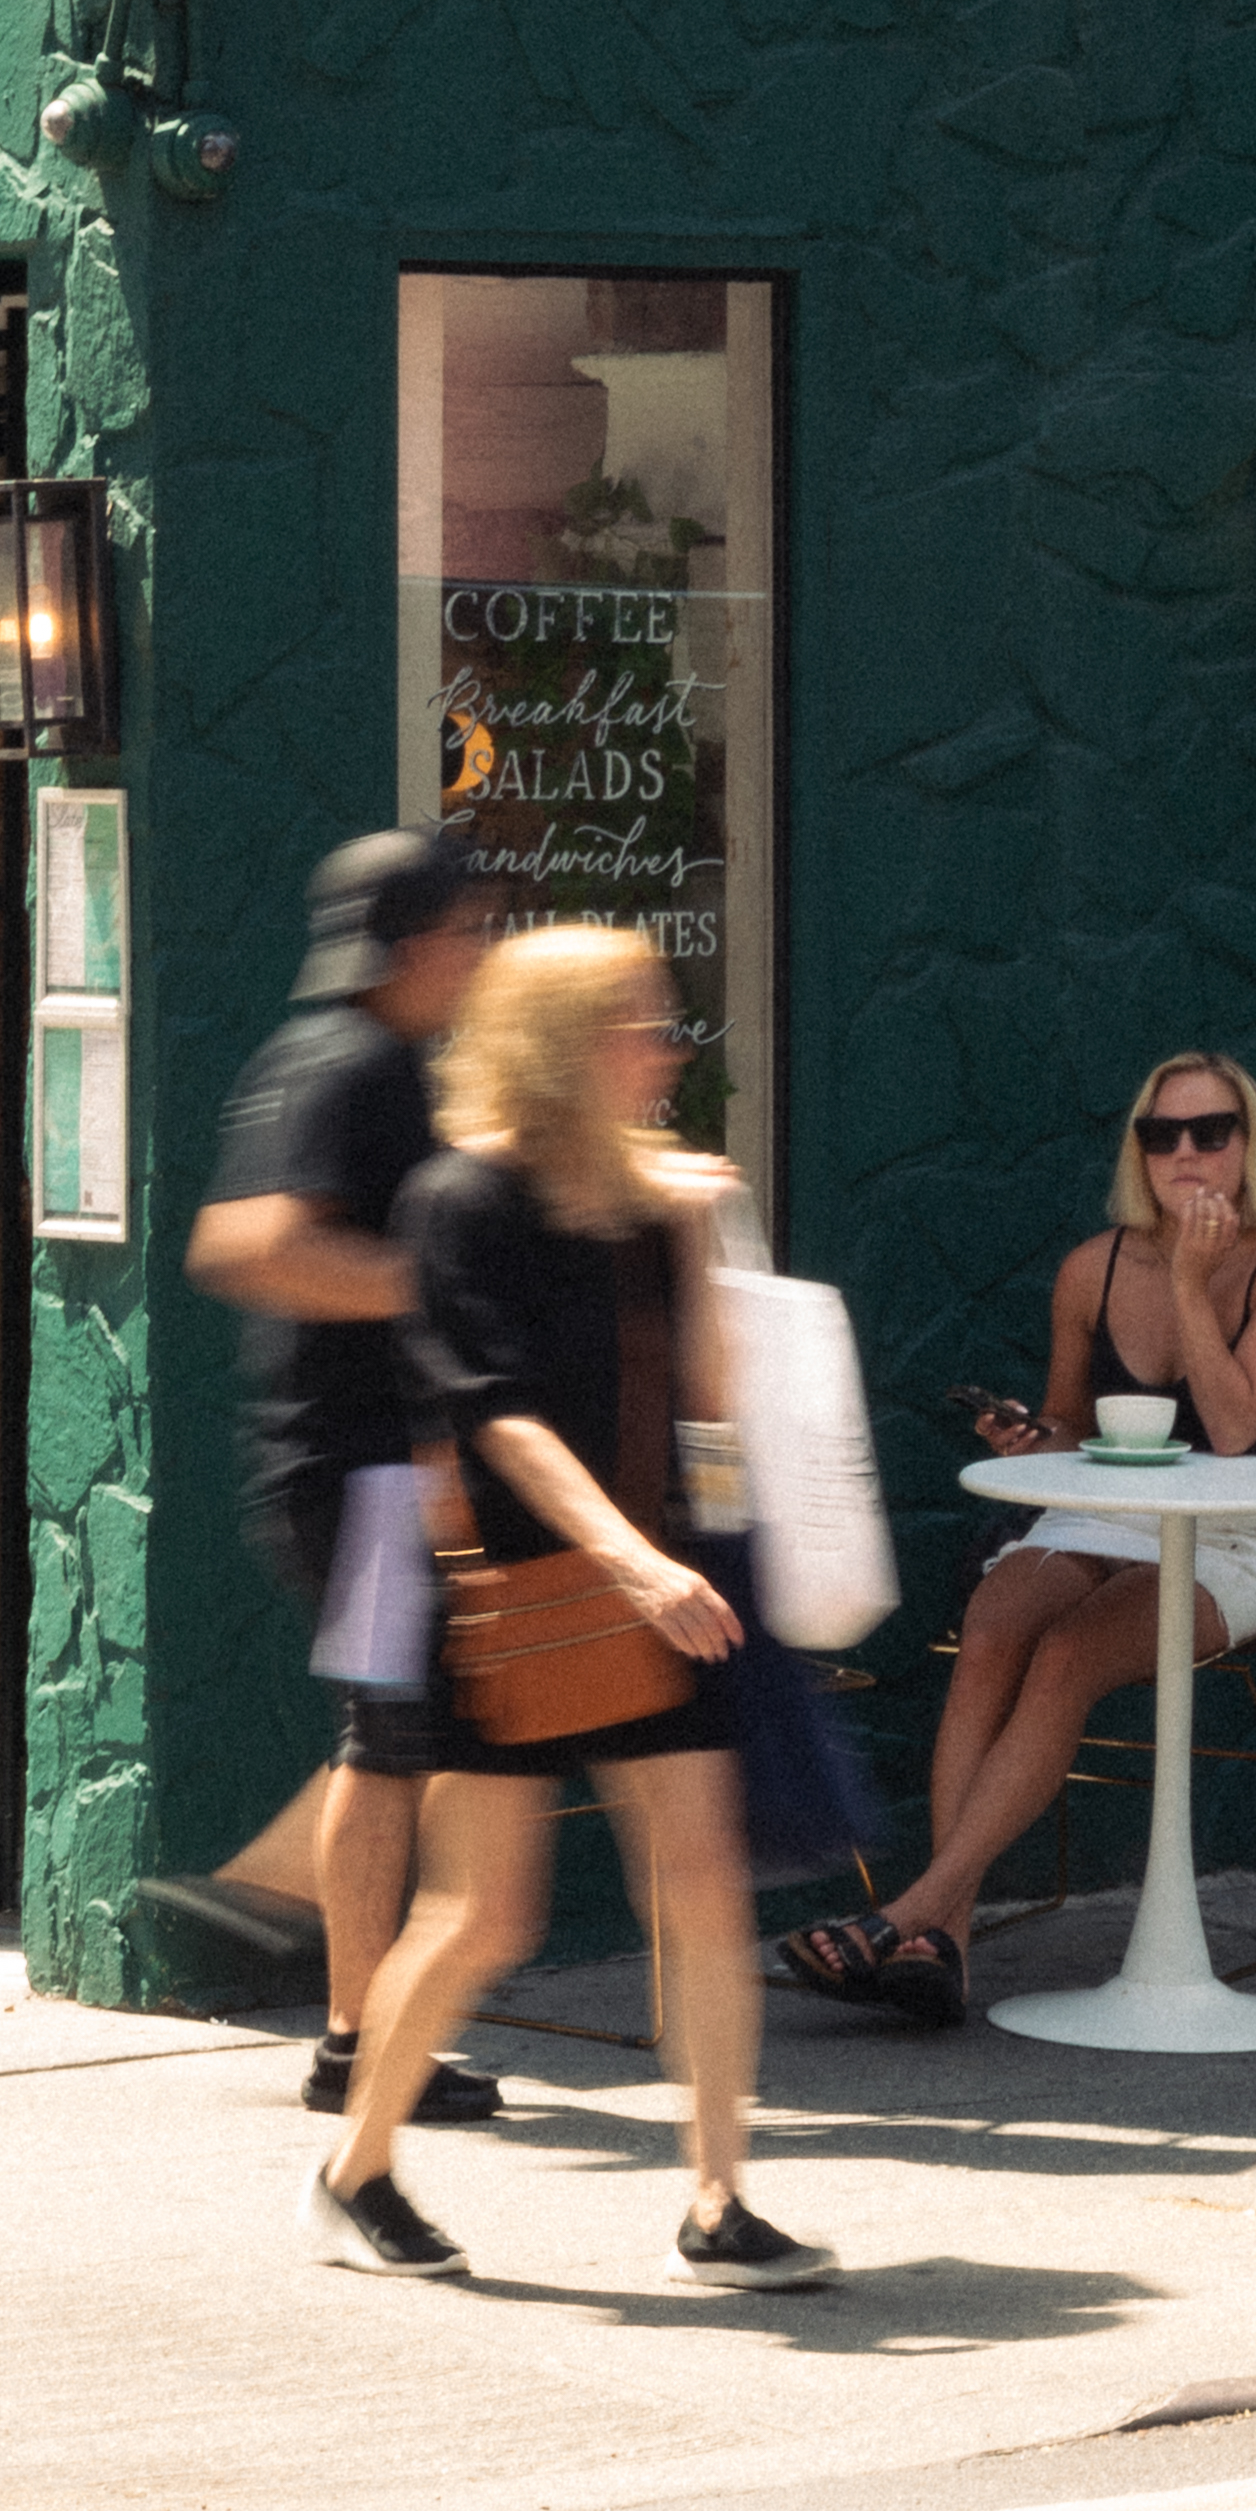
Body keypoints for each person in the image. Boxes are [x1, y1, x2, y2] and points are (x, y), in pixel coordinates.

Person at [314, 925, 832, 2292]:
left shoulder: (648, 1205)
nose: (666, 1046)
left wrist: (701, 1228)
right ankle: (356, 2166)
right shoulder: (458, 1202)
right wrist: (628, 1562)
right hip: (521, 1597)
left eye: (664, 1020)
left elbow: (704, 1402)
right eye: (637, 1021)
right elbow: (496, 1418)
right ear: (557, 1044)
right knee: (486, 1912)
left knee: (703, 1887)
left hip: (664, 1582)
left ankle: (718, 2199)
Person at [775, 1053, 1256, 2027]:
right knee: (993, 1626)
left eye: (1212, 1132)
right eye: (1164, 1136)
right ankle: (939, 1948)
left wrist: (1196, 1285)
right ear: (1139, 1150)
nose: (1187, 1154)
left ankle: (912, 1914)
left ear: (1250, 1145)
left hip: (1224, 1542)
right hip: (1098, 1515)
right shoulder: (1097, 1265)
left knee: (1068, 1654)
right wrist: (1033, 1436)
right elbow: (1078, 1429)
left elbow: (1237, 1427)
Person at [171, 832, 508, 2127]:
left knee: (397, 1738)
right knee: (400, 1739)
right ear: (419, 942)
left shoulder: (326, 1055)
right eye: (472, 929)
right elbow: (251, 1243)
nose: (481, 954)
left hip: (360, 1470)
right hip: (366, 1478)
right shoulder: (355, 1066)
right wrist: (453, 1290)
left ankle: (360, 2030)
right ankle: (360, 2031)